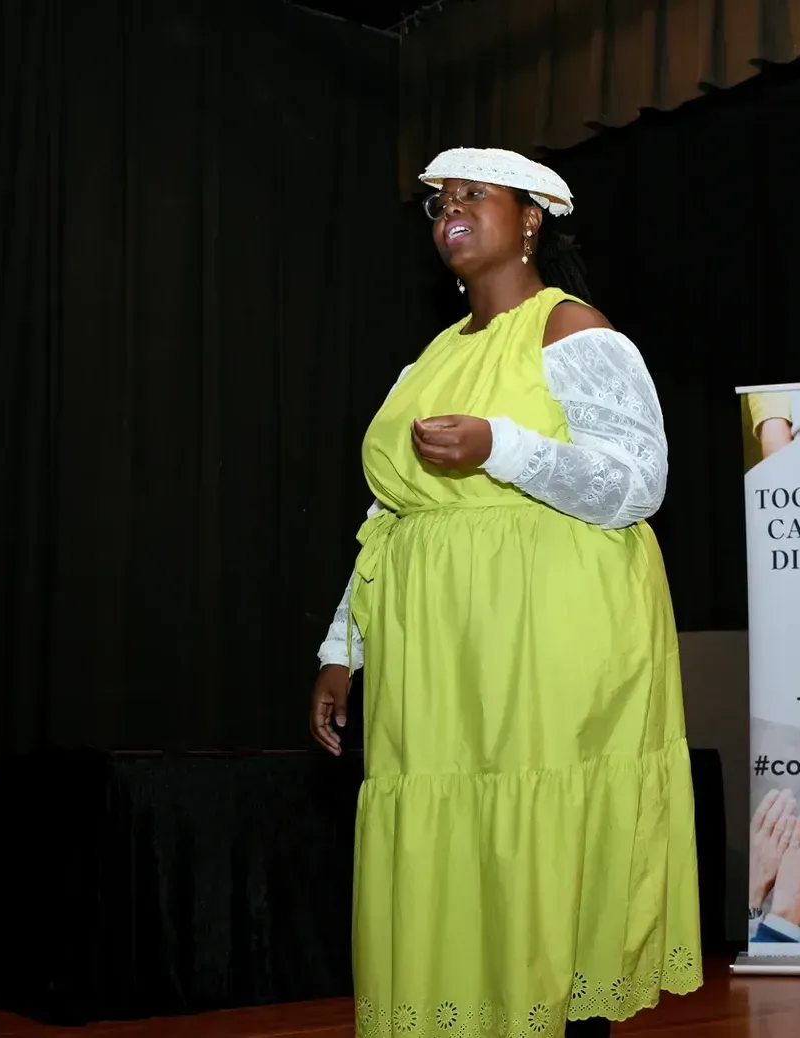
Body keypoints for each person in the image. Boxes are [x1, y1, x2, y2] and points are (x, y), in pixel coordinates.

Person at [309, 147, 702, 1038]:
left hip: (549, 637)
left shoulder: (574, 331)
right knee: (462, 850)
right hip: (440, 656)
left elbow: (638, 483)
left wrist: (504, 448)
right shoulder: (429, 361)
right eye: (439, 201)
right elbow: (390, 515)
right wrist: (343, 646)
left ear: (531, 218)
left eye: (472, 195)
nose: (449, 209)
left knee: (544, 841)